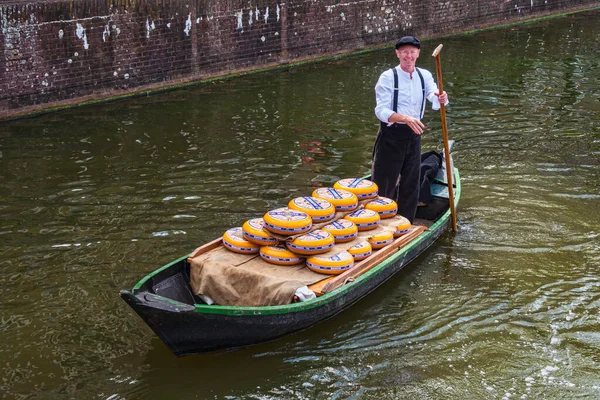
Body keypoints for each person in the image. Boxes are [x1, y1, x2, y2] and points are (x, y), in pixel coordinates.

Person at [371, 35, 448, 223]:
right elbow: (381, 110)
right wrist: (404, 118)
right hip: (391, 135)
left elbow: (433, 95)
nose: (408, 56)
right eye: (404, 52)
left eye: (412, 52)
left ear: (418, 54)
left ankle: (405, 222)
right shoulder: (388, 77)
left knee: (411, 183)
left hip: (414, 135)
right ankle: (378, 224)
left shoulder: (424, 75)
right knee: (383, 185)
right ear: (397, 54)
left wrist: (440, 97)